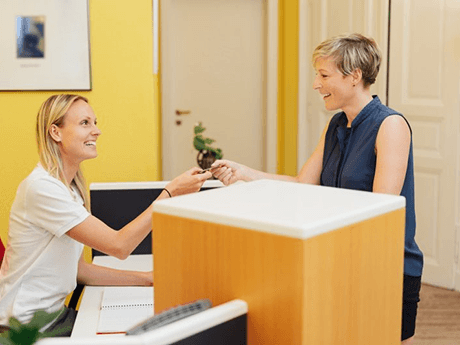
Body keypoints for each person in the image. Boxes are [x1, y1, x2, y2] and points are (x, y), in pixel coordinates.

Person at [210, 33, 423, 344]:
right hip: (341, 261)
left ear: (354, 76)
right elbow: (302, 184)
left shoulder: (390, 126)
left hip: (385, 268)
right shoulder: (336, 124)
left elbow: (381, 213)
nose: (315, 84)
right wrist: (245, 174)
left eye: (324, 75)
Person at [0, 94, 212, 335]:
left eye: (95, 122)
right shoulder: (42, 189)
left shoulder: (68, 189)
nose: (97, 131)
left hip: (52, 318)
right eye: (85, 123)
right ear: (55, 132)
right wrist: (170, 194)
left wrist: (146, 278)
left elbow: (78, 270)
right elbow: (119, 246)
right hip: (22, 329)